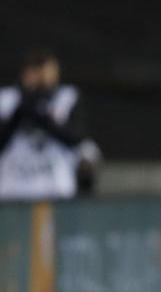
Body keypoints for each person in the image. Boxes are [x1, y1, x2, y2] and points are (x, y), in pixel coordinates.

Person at [0, 49, 100, 200]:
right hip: (14, 189)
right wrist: (23, 108)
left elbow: (76, 137)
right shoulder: (6, 99)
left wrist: (43, 116)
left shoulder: (67, 97)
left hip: (56, 188)